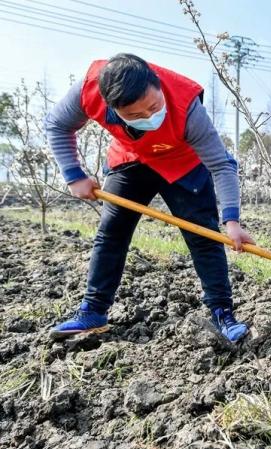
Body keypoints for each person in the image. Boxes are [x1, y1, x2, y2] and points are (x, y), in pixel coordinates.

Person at [44, 53, 254, 343]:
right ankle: (93, 312)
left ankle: (222, 313)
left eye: (154, 107)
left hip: (184, 165)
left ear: (158, 85)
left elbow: (221, 164)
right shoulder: (89, 89)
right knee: (111, 233)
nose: (148, 117)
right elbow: (57, 124)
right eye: (135, 115)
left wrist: (231, 220)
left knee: (205, 238)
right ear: (112, 108)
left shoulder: (186, 105)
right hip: (130, 159)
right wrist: (73, 175)